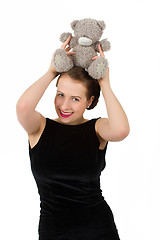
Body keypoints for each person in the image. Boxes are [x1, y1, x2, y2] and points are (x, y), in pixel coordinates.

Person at [16, 35, 130, 240]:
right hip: (54, 232)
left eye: (75, 99)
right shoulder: (39, 127)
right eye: (60, 94)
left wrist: (105, 84)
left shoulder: (97, 129)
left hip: (98, 230)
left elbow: (121, 130)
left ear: (90, 101)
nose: (64, 106)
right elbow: (23, 107)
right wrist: (52, 71)